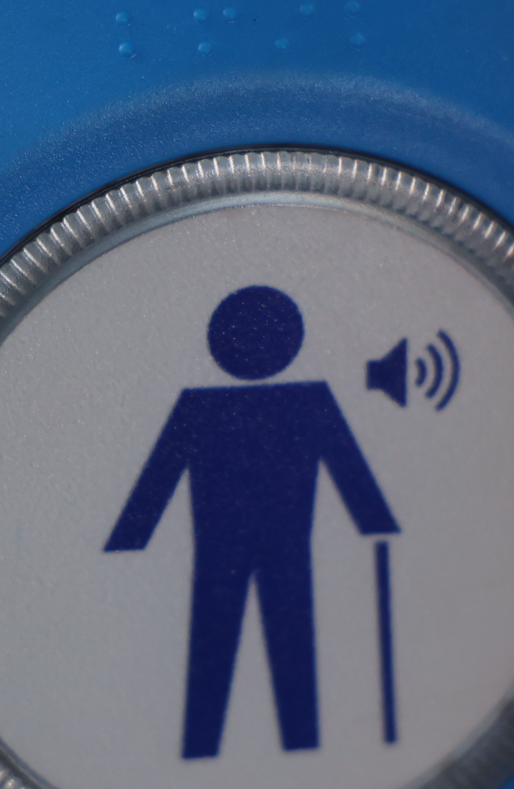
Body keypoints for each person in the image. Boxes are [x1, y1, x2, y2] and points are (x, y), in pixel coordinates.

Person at [106, 286, 399, 759]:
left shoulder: (293, 403)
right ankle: (211, 742)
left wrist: (373, 517)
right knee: (222, 641)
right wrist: (373, 519)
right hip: (235, 549)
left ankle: (289, 739)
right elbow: (161, 475)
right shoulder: (213, 408)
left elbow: (347, 468)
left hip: (267, 548)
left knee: (281, 639)